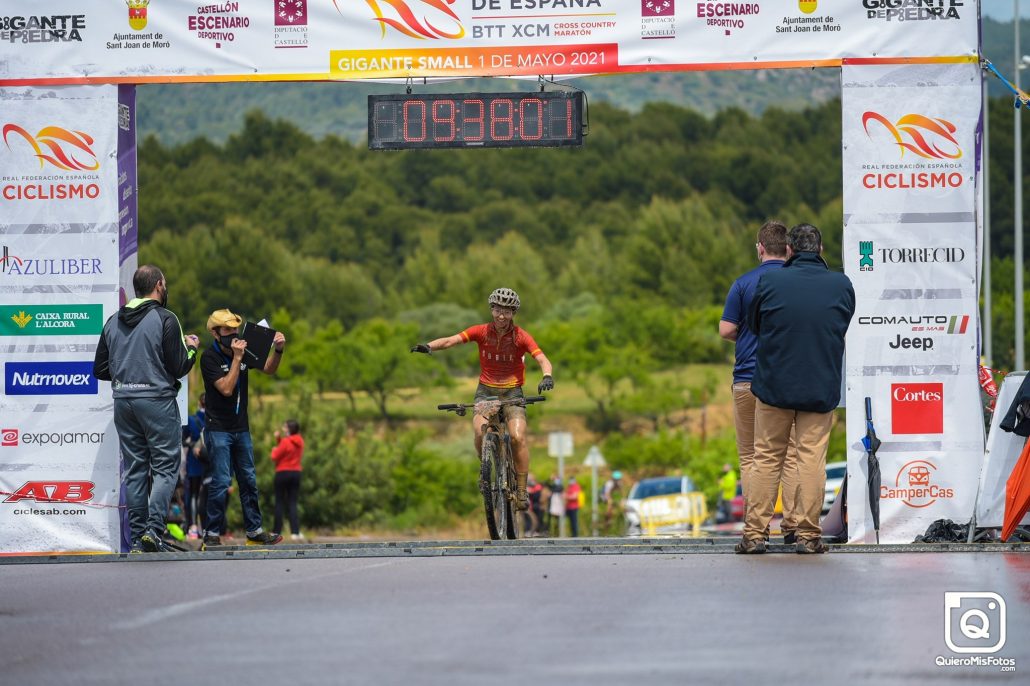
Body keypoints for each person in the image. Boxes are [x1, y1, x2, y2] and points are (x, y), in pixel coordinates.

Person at [737, 223, 855, 555]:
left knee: (766, 459)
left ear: (789, 250)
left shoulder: (770, 281)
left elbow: (756, 325)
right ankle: (808, 536)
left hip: (773, 386)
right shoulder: (841, 285)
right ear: (820, 251)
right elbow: (841, 325)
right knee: (811, 460)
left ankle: (755, 535)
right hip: (819, 388)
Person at [410, 287, 553, 510]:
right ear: (492, 310)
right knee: (479, 431)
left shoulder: (521, 336)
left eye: (506, 311)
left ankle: (522, 490)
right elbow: (451, 340)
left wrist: (547, 376)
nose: (501, 316)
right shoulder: (481, 331)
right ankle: (486, 469)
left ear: (513, 313)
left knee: (517, 437)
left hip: (513, 392)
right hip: (485, 391)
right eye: (497, 310)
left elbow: (542, 358)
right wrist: (429, 346)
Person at [93, 265, 200, 553]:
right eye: (164, 284)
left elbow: (100, 369)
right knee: (165, 467)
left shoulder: (114, 320)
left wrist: (127, 370)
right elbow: (180, 366)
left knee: (136, 469)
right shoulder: (165, 318)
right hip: (156, 401)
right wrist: (192, 347)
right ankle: (154, 530)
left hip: (123, 402)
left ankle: (140, 536)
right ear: (159, 286)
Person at [719, 220, 799, 542]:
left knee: (752, 455)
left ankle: (758, 527)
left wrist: (751, 332)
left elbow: (726, 329)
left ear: (760, 248)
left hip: (747, 378)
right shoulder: (797, 282)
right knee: (792, 453)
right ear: (789, 249)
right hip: (787, 379)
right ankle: (794, 524)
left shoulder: (743, 283)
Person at [200, 308, 287, 549]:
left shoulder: (244, 350)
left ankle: (254, 531)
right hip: (218, 428)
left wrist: (278, 349)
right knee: (220, 480)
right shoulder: (209, 358)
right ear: (216, 333)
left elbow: (269, 368)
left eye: (236, 330)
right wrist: (237, 359)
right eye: (228, 330)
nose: (234, 334)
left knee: (248, 479)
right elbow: (226, 389)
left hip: (241, 427)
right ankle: (211, 533)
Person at [271, 419, 304, 540]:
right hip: (296, 473)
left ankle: (276, 531)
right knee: (292, 502)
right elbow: (289, 448)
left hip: (282, 472)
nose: (283, 428)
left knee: (279, 502)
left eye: (285, 427)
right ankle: (295, 532)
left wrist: (274, 449)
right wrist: (279, 439)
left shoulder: (285, 441)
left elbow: (275, 456)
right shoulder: (300, 441)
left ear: (289, 429)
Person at [183, 393, 207, 538]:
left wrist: (192, 444)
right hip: (211, 461)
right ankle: (208, 528)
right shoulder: (214, 419)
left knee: (193, 494)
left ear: (199, 403)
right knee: (208, 495)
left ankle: (193, 527)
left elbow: (182, 439)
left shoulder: (191, 420)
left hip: (194, 461)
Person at [602, 470, 624, 535]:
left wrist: (622, 500)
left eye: (618, 479)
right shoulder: (609, 483)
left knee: (622, 505)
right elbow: (606, 493)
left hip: (614, 497)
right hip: (605, 497)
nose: (617, 480)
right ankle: (608, 519)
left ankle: (621, 522)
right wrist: (610, 500)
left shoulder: (620, 483)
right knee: (610, 505)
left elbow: (621, 493)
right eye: (616, 479)